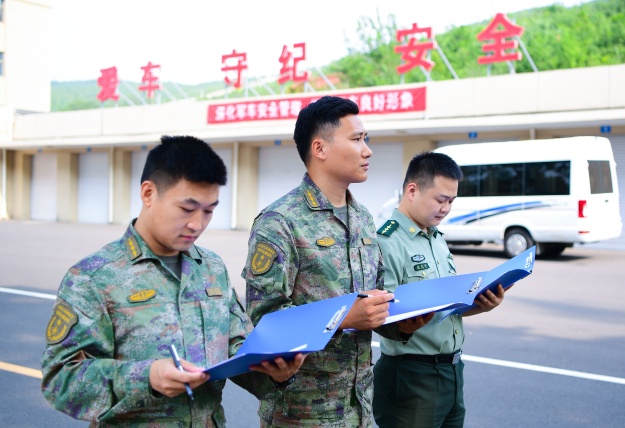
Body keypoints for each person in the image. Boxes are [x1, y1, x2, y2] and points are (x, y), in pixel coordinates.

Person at [41, 135, 304, 427]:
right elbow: (61, 379)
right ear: (148, 193)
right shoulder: (93, 277)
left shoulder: (211, 267)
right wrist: (148, 378)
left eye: (209, 210)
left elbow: (235, 346)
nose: (197, 223)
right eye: (187, 208)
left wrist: (274, 372)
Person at [242, 96, 397, 427]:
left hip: (361, 408)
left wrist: (402, 322)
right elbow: (264, 320)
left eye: (365, 139)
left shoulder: (363, 218)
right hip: (303, 414)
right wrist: (340, 318)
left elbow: (377, 296)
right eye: (356, 139)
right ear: (320, 148)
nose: (367, 150)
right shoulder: (280, 221)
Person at [373, 151, 507, 428]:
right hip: (412, 373)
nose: (446, 208)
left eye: (451, 201)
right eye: (440, 199)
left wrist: (479, 304)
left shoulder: (436, 238)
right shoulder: (387, 241)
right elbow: (381, 315)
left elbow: (448, 306)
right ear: (412, 190)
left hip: (452, 370)